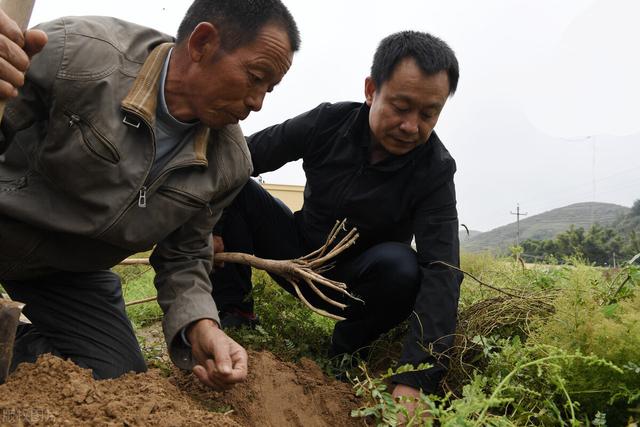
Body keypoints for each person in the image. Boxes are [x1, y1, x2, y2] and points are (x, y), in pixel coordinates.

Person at [0, 0, 299, 390]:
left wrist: (201, 324)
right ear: (202, 42)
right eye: (255, 78)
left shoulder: (229, 163)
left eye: (269, 89)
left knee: (116, 381)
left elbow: (186, 255)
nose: (257, 103)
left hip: (69, 272)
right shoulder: (78, 55)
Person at [211, 30, 463, 402]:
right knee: (238, 185)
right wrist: (212, 226)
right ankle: (234, 310)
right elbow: (239, 158)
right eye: (400, 106)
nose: (411, 126)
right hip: (293, 252)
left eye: (429, 114)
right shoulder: (328, 122)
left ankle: (348, 345)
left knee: (403, 267)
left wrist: (417, 377)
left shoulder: (435, 170)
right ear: (371, 90)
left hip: (353, 285)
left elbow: (442, 269)